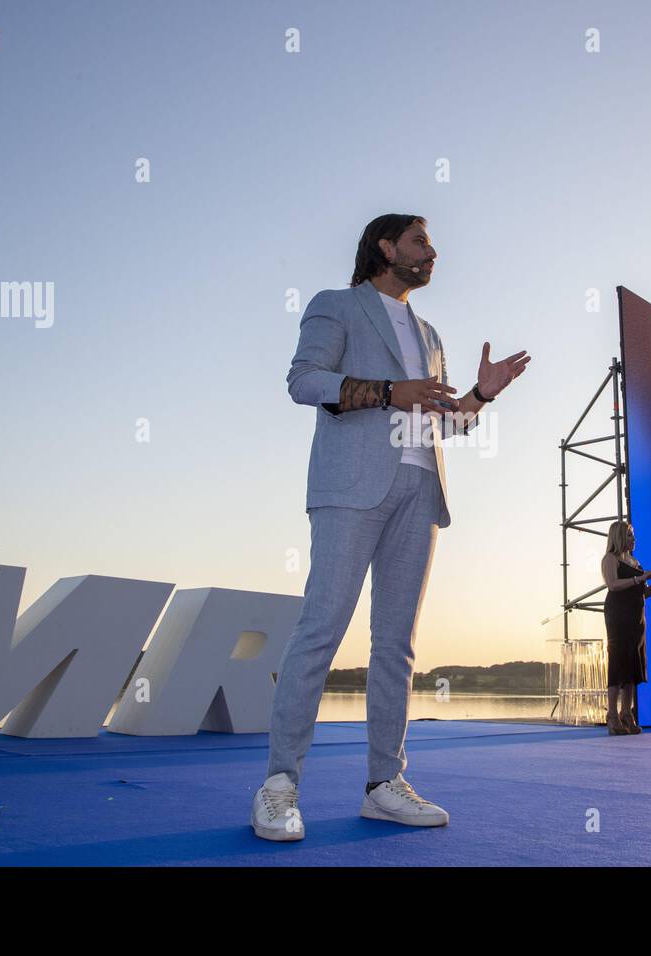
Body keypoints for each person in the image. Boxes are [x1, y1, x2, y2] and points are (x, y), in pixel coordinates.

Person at [251, 213, 531, 841]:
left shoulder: (430, 332)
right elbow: (303, 381)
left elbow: (446, 424)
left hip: (419, 492)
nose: (433, 253)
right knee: (320, 631)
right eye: (421, 242)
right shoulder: (337, 306)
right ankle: (278, 786)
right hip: (351, 489)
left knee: (396, 645)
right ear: (386, 247)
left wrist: (481, 398)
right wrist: (387, 391)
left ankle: (383, 785)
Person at [601, 520, 651, 735]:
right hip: (618, 616)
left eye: (633, 535)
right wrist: (638, 578)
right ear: (620, 537)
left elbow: (644, 592)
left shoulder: (635, 561)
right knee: (618, 664)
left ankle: (627, 714)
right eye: (630, 536)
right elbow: (613, 585)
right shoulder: (610, 559)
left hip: (636, 618)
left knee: (633, 666)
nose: (634, 539)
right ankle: (612, 716)